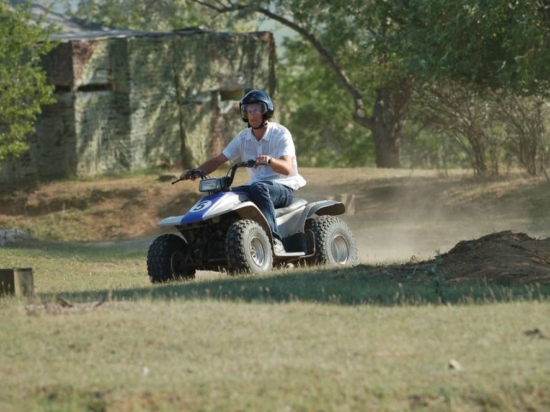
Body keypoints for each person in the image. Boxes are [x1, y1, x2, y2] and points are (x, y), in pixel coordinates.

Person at [179, 89, 306, 254]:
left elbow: (287, 168)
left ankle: (273, 240)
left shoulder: (281, 133)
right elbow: (218, 160)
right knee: (225, 194)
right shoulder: (243, 137)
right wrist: (196, 171)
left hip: (283, 187)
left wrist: (270, 160)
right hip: (256, 187)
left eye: (256, 110)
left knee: (259, 187)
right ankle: (211, 243)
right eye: (248, 110)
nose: (252, 114)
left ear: (266, 111)